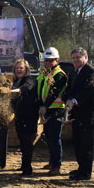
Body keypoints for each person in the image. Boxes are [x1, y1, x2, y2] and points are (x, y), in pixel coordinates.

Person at [65, 48, 94, 180]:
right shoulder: (73, 72)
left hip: (89, 115)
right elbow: (69, 89)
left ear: (85, 58)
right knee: (78, 143)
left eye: (78, 57)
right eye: (73, 58)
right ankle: (81, 168)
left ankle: (86, 173)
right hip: (77, 114)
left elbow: (89, 90)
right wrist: (68, 99)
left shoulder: (92, 72)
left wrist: (74, 100)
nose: (75, 60)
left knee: (87, 145)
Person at [37, 47, 68, 176]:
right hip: (47, 110)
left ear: (56, 60)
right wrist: (40, 104)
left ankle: (56, 165)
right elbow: (41, 91)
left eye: (51, 61)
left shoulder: (59, 75)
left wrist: (46, 106)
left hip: (56, 110)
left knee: (55, 138)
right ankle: (52, 161)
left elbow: (54, 94)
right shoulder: (46, 73)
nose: (48, 63)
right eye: (46, 61)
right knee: (49, 137)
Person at [11, 59, 39, 176]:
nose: (19, 70)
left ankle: (27, 169)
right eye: (17, 68)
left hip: (29, 117)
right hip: (19, 116)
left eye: (21, 68)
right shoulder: (16, 81)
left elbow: (27, 88)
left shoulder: (29, 80)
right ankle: (24, 165)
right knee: (22, 142)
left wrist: (16, 91)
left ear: (26, 69)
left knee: (27, 143)